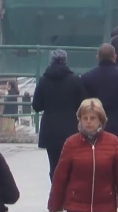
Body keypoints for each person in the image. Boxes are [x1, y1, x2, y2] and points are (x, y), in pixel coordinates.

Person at [31, 49, 87, 180]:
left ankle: (56, 193)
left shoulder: (44, 80)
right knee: (72, 163)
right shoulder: (74, 80)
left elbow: (36, 106)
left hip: (50, 128)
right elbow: (83, 103)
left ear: (50, 61)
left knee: (54, 165)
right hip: (71, 127)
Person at [82, 44, 118, 162]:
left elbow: (82, 101)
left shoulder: (87, 78)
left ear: (97, 57)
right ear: (114, 57)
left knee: (97, 153)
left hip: (95, 122)